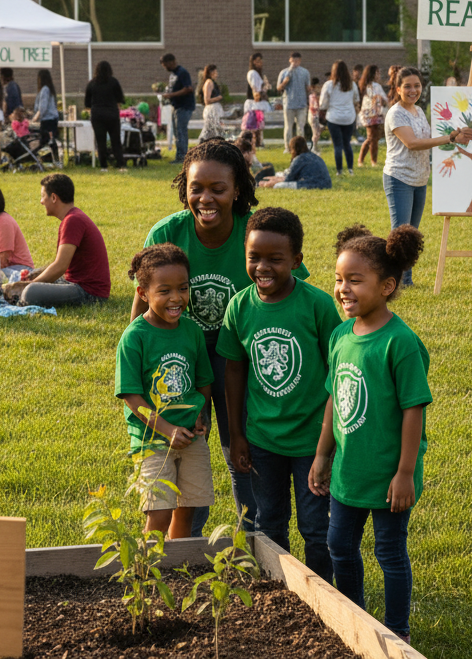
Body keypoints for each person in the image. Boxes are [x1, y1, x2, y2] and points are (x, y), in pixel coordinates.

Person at [135, 138, 310, 535]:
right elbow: (141, 307)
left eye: (218, 189)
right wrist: (139, 360)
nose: (206, 198)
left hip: (239, 359)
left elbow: (293, 290)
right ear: (185, 188)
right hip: (178, 354)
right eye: (196, 188)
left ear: (238, 191)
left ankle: (256, 538)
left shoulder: (255, 234)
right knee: (181, 446)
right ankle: (186, 547)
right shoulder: (167, 233)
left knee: (240, 450)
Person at [310, 224, 431, 642]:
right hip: (348, 472)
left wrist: (404, 473)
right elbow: (334, 398)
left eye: (355, 280)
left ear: (388, 286)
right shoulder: (341, 335)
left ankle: (397, 631)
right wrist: (323, 455)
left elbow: (413, 410)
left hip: (387, 475)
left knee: (389, 554)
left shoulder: (400, 343)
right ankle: (355, 620)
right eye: (339, 279)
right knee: (339, 546)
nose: (343, 289)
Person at [218, 207, 339, 580]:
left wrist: (328, 442)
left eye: (275, 259)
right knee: (269, 525)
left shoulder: (317, 305)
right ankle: (280, 590)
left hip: (310, 441)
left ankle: (323, 597)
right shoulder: (239, 305)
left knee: (316, 529)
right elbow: (234, 370)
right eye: (254, 257)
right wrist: (237, 434)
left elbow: (337, 368)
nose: (262, 267)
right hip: (262, 440)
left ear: (296, 260)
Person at [116, 244, 213, 539]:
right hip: (152, 441)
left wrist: (202, 416)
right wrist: (168, 429)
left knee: (187, 509)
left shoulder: (192, 331)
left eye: (183, 288)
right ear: (143, 293)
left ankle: (176, 572)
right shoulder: (135, 338)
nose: (176, 298)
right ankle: (147, 574)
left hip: (191, 438)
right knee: (159, 513)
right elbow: (133, 397)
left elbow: (203, 380)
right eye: (164, 291)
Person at [383, 66, 472, 287]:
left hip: (419, 179)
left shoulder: (417, 111)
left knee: (411, 234)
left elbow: (429, 138)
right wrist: (449, 138)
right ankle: (392, 281)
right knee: (400, 234)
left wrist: (456, 132)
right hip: (399, 178)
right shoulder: (396, 113)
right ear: (398, 89)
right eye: (407, 86)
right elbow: (413, 143)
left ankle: (406, 280)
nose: (413, 90)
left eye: (417, 86)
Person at [21, 173, 111, 306]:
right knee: (35, 275)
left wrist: (28, 285)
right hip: (78, 284)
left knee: (30, 292)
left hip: (89, 292)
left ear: (53, 197)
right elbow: (63, 266)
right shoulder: (73, 217)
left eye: (42, 196)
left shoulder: (72, 220)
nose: (41, 201)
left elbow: (60, 267)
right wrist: (36, 276)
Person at [320, 60, 361, 176]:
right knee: (347, 143)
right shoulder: (352, 84)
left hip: (333, 117)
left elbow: (323, 103)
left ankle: (339, 171)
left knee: (337, 145)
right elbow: (356, 100)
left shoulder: (328, 85)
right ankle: (350, 169)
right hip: (349, 117)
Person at [84, 60, 127, 172]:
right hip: (112, 114)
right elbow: (120, 99)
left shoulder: (91, 84)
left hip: (97, 115)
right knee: (115, 141)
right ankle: (120, 165)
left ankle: (104, 166)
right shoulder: (114, 82)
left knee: (100, 141)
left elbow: (87, 103)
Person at [259, 136, 332, 190]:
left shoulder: (299, 159)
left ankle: (263, 184)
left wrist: (271, 182)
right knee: (279, 174)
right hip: (327, 184)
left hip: (311, 184)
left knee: (278, 186)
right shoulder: (314, 156)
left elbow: (288, 178)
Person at [160, 53, 195, 163]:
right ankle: (179, 155)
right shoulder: (173, 75)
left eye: (165, 65)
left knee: (181, 131)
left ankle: (183, 157)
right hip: (176, 106)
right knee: (177, 132)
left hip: (184, 106)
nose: (165, 68)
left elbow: (188, 89)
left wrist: (171, 95)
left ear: (172, 62)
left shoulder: (182, 73)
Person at [276, 51, 311, 144]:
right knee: (288, 127)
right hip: (289, 104)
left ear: (300, 61)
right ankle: (288, 146)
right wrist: (285, 81)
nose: (295, 62)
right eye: (293, 60)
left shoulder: (305, 72)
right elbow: (278, 88)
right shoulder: (284, 72)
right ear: (290, 60)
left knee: (301, 127)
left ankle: (300, 146)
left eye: (297, 60)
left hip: (301, 104)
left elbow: (308, 87)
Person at [357, 64, 387, 167]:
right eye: (378, 73)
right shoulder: (375, 86)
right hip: (374, 115)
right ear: (373, 74)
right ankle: (372, 161)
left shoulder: (365, 86)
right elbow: (383, 98)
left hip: (367, 115)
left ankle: (362, 160)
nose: (379, 75)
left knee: (372, 138)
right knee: (373, 138)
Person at [33, 69, 60, 165]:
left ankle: (48, 161)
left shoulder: (44, 90)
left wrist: (35, 118)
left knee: (45, 141)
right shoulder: (50, 89)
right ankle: (55, 160)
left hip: (47, 120)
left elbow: (42, 107)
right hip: (53, 119)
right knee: (51, 141)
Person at [198, 63, 227, 142]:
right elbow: (207, 100)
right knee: (209, 129)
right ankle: (201, 142)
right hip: (211, 110)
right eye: (215, 72)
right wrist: (218, 98)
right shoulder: (209, 82)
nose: (217, 74)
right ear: (211, 72)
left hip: (215, 110)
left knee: (214, 130)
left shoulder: (213, 82)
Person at [308, 77, 322, 153]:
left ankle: (315, 147)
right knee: (315, 133)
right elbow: (315, 107)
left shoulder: (314, 96)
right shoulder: (313, 96)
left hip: (315, 116)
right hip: (314, 117)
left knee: (317, 132)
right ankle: (313, 147)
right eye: (318, 87)